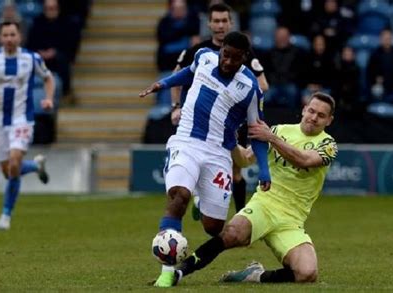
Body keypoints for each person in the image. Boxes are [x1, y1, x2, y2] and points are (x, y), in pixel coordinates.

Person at [162, 92, 338, 287]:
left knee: (307, 273)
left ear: (329, 120)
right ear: (304, 109)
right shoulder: (280, 130)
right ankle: (179, 272)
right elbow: (245, 159)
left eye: (321, 115)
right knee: (232, 234)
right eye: (311, 111)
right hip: (264, 205)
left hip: (292, 220)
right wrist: (230, 142)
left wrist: (271, 138)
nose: (313, 117)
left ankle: (254, 275)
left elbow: (304, 159)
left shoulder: (328, 144)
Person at [139, 31, 272, 287]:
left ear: (244, 58)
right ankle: (167, 273)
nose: (227, 62)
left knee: (213, 227)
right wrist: (164, 84)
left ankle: (202, 200)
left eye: (235, 58)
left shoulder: (251, 89)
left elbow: (257, 131)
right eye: (225, 55)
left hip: (218, 154)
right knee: (178, 196)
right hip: (186, 141)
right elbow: (190, 72)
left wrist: (264, 169)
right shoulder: (204, 56)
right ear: (220, 50)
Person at [172, 3, 269, 214]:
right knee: (196, 163)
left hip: (230, 124)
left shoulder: (245, 52)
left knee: (235, 171)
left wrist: (234, 99)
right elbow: (177, 76)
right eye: (216, 21)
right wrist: (176, 106)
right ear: (209, 24)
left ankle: (240, 216)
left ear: (231, 23)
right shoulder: (198, 51)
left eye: (224, 20)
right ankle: (202, 201)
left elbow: (263, 84)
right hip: (199, 121)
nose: (220, 25)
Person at [0, 21, 55, 230]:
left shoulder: (31, 58)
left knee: (14, 162)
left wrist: (48, 98)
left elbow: (48, 78)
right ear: (0, 38)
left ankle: (5, 216)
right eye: (5, 35)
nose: (9, 38)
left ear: (19, 37)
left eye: (13, 34)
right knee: (8, 171)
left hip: (22, 119)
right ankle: (36, 166)